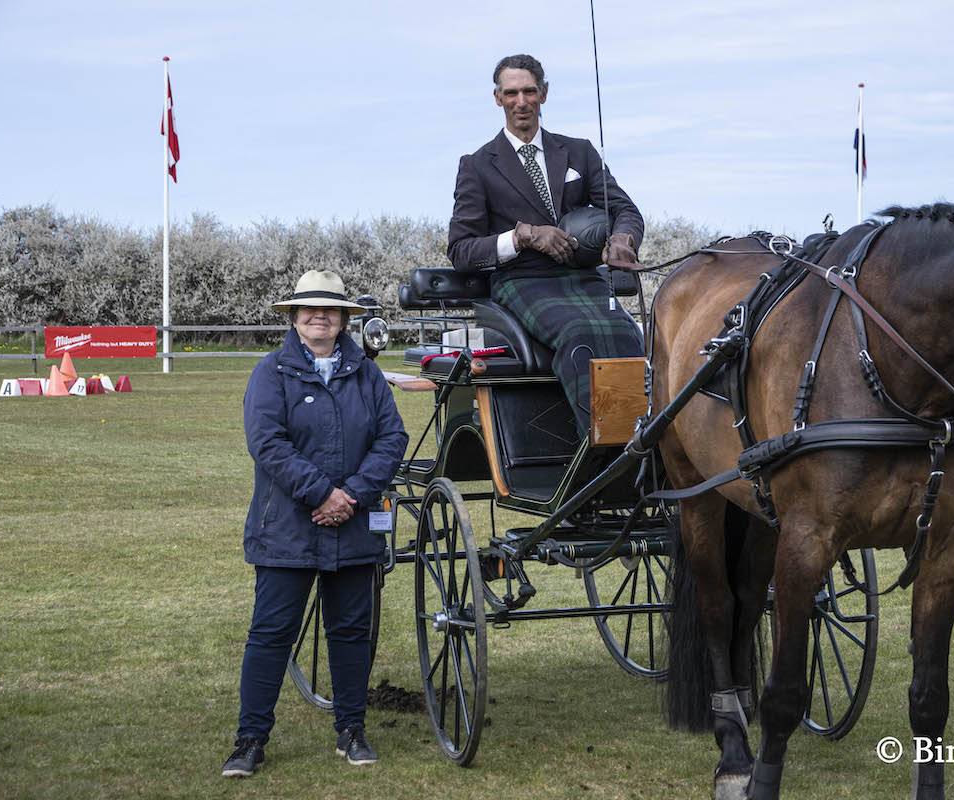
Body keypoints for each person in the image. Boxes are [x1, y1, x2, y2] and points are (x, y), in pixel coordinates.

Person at [222, 269, 408, 777]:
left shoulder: (367, 374)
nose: (319, 316)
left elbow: (392, 437)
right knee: (271, 634)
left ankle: (352, 730)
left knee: (350, 633)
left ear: (344, 318)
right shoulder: (270, 372)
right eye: (310, 308)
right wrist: (323, 493)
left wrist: (352, 495)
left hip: (353, 525)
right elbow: (267, 443)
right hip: (287, 529)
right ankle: (250, 740)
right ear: (294, 317)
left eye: (330, 309)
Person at [447, 53, 646, 436]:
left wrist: (623, 239)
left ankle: (641, 439)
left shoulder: (579, 152)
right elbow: (461, 250)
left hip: (585, 279)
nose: (521, 102)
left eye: (529, 91)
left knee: (629, 334)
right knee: (579, 335)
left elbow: (625, 210)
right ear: (497, 98)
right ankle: (603, 446)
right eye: (511, 93)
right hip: (523, 281)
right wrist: (523, 236)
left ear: (544, 93)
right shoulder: (478, 165)